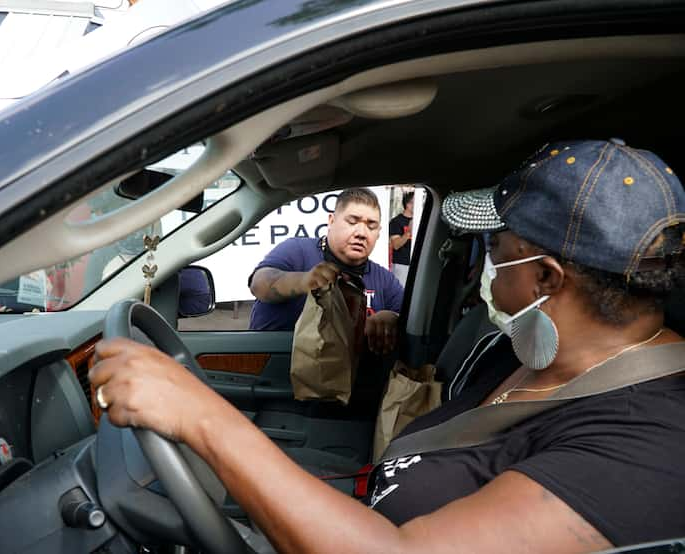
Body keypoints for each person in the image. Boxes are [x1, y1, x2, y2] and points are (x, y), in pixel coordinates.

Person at [89, 139, 685, 553]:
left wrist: (203, 417)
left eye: (496, 255)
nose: (487, 275)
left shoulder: (653, 439)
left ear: (547, 278)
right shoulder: (528, 349)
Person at [248, 187, 404, 354]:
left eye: (371, 226)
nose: (361, 233)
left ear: (379, 232)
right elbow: (259, 285)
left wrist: (393, 318)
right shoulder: (297, 250)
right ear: (331, 221)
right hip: (276, 369)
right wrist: (303, 281)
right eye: (352, 221)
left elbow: (410, 319)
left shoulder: (385, 280)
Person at [389, 191, 414, 286]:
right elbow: (396, 245)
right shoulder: (396, 222)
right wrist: (408, 233)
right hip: (401, 265)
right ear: (408, 204)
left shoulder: (419, 219)